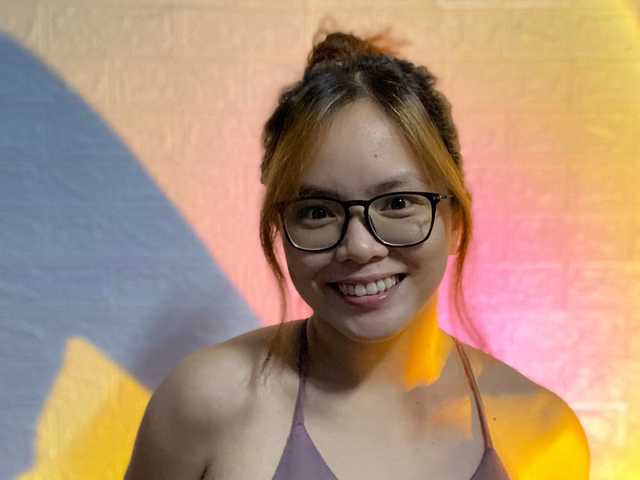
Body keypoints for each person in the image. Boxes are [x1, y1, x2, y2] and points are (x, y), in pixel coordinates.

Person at [125, 29, 591, 480]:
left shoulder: (544, 433)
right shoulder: (204, 403)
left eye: (398, 203)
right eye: (317, 211)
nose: (360, 247)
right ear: (279, 228)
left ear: (454, 220)